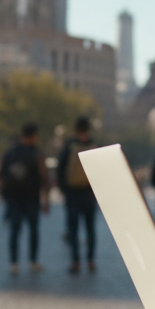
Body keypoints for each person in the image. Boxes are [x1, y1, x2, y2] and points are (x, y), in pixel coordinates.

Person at [0, 123, 50, 273]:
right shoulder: (37, 153)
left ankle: (14, 263)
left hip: (14, 198)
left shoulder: (10, 153)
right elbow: (44, 178)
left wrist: (5, 196)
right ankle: (33, 261)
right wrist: (45, 200)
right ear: (34, 136)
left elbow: (1, 176)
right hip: (31, 198)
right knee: (33, 230)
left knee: (14, 230)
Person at [57, 117, 98, 273]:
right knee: (90, 228)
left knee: (73, 229)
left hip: (73, 194)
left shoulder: (69, 145)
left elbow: (61, 169)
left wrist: (64, 190)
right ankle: (91, 260)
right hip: (89, 193)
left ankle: (75, 261)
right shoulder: (94, 145)